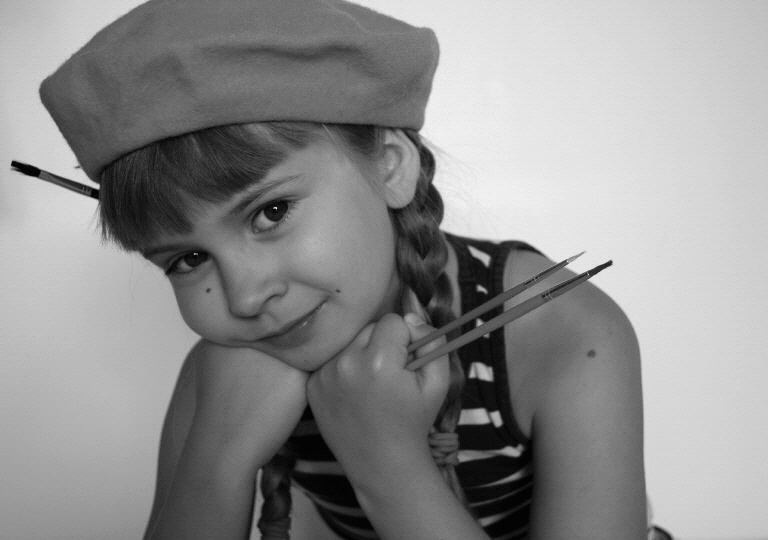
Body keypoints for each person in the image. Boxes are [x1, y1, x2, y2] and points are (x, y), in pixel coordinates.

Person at [37, 0, 654, 538]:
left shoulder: (560, 331)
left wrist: (388, 461)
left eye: (271, 211)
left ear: (390, 166)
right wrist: (219, 462)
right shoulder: (231, 369)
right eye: (188, 258)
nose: (246, 297)